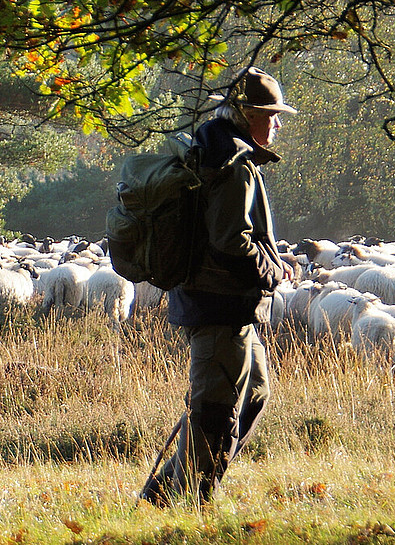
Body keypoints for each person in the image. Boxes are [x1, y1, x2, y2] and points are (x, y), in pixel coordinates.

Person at [139, 66, 296, 506]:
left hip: (229, 307)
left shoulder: (219, 153)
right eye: (270, 114)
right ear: (245, 113)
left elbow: (229, 234)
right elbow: (231, 241)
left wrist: (270, 265)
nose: (277, 124)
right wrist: (273, 272)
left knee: (254, 393)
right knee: (214, 409)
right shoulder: (231, 166)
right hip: (218, 305)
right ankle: (180, 499)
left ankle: (177, 490)